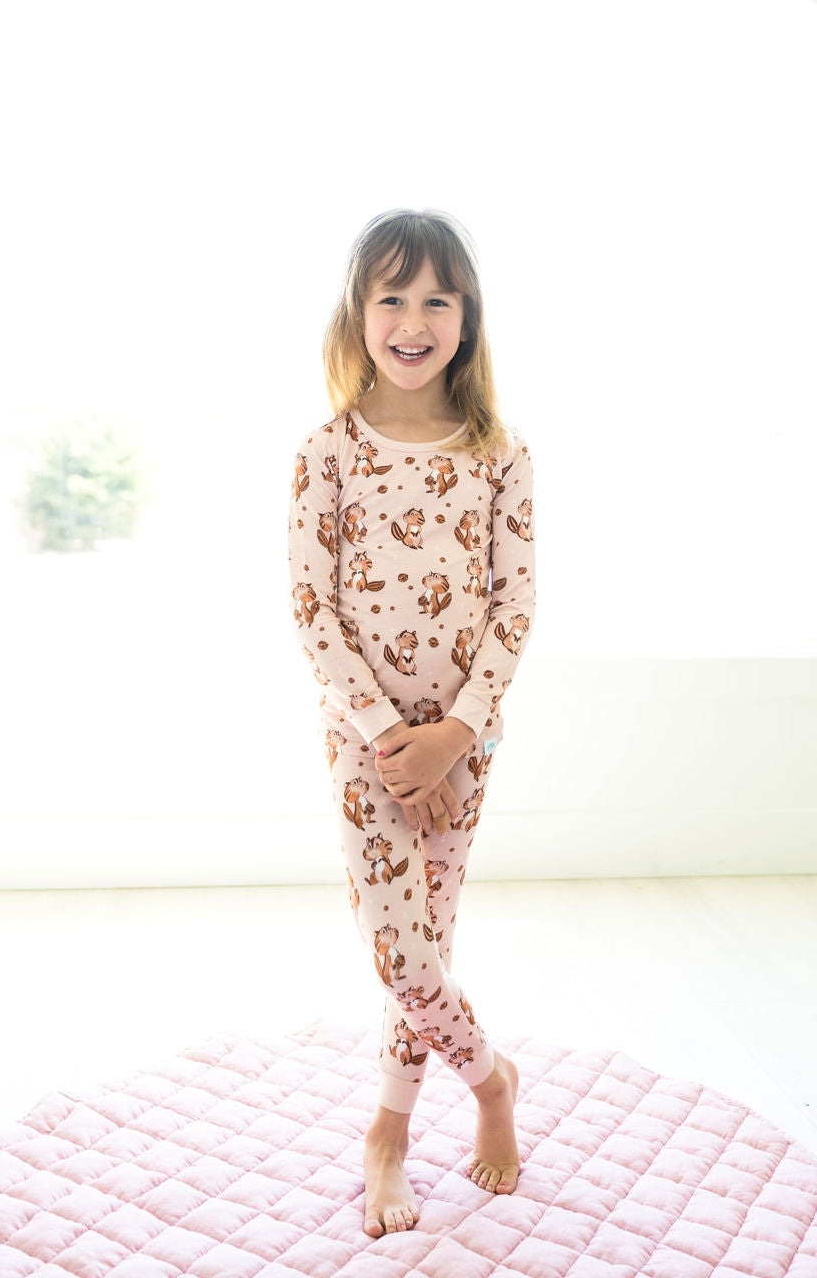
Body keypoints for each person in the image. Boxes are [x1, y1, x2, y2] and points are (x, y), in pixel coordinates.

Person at [287, 208, 536, 1238]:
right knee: (401, 954)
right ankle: (490, 1082)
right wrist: (395, 738)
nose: (413, 316)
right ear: (358, 315)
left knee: (430, 935)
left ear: (466, 319)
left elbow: (512, 609)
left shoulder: (498, 453)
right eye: (391, 294)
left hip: (465, 748)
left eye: (437, 297)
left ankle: (387, 1130)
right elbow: (313, 609)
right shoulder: (326, 453)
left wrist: (455, 734)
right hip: (365, 747)